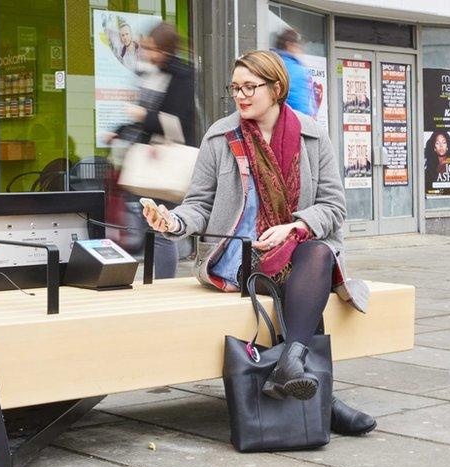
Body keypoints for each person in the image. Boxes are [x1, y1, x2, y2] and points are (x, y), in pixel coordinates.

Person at [143, 50, 375, 436]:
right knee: (307, 277)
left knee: (316, 254)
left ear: (277, 88)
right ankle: (320, 399)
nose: (240, 95)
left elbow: (334, 207)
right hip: (239, 255)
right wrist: (174, 221)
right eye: (235, 87)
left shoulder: (312, 136)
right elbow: (199, 204)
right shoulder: (221, 136)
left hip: (295, 248)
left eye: (250, 87)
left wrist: (293, 227)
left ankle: (293, 366)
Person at [113, 22, 195, 279]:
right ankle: (152, 283)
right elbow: (144, 117)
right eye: (148, 47)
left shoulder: (182, 75)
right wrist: (120, 131)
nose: (149, 53)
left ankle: (164, 286)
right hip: (149, 159)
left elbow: (178, 123)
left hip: (168, 161)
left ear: (168, 50)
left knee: (161, 231)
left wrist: (144, 115)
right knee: (148, 227)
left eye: (154, 49)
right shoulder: (149, 73)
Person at [271, 28, 313, 117]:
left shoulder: (270, 65)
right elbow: (301, 107)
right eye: (298, 46)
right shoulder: (297, 70)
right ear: (289, 45)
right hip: (292, 124)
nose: (301, 50)